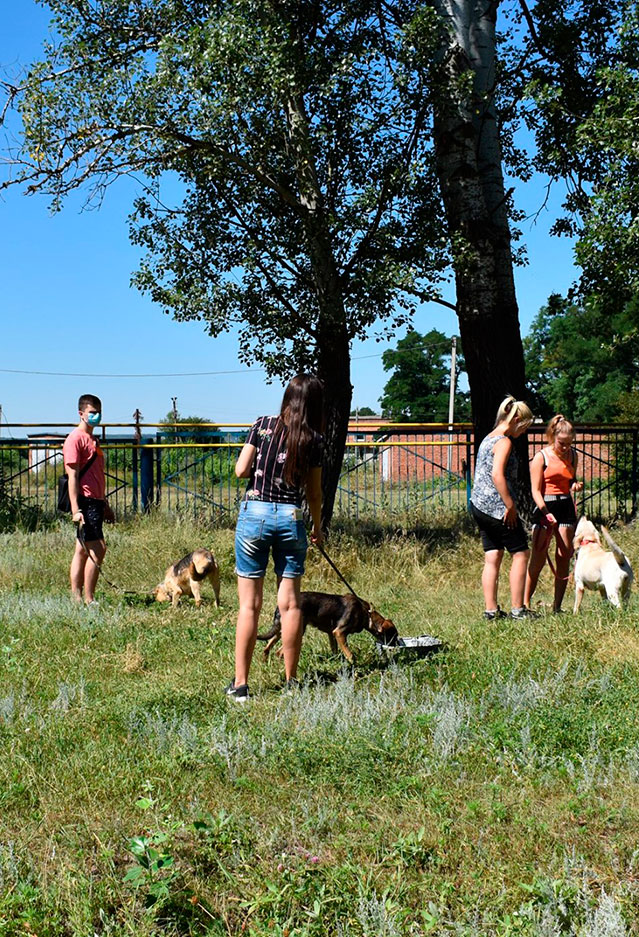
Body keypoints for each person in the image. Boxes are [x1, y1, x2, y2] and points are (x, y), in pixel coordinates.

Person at [227, 374, 324, 702]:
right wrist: (318, 527)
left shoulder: (263, 425)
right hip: (291, 518)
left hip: (254, 515)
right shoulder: (313, 439)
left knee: (249, 606)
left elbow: (241, 470)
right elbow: (313, 492)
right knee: (292, 604)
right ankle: (291, 681)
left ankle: (240, 684)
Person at [470, 395, 535, 621]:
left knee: (493, 555)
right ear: (516, 418)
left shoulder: (488, 438)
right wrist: (510, 505)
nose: (524, 431)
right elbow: (497, 475)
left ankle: (491, 610)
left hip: (479, 505)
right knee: (521, 553)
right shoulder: (504, 441)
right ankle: (518, 610)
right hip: (498, 508)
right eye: (525, 426)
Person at [524, 414, 583, 613]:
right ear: (552, 436)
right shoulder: (541, 457)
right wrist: (545, 512)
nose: (565, 448)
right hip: (545, 507)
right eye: (561, 443)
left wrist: (575, 485)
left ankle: (557, 607)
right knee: (538, 558)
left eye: (569, 443)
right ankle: (524, 605)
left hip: (566, 507)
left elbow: (570, 479)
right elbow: (535, 490)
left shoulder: (573, 455)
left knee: (564, 556)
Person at [62, 394, 114, 605]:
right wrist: (76, 509)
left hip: (96, 501)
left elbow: (97, 476)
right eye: (92, 412)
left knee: (82, 550)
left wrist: (105, 505)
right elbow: (72, 477)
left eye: (98, 412)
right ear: (81, 414)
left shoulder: (93, 440)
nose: (96, 416)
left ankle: (76, 598)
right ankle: (89, 599)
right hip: (86, 501)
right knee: (98, 549)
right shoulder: (75, 439)